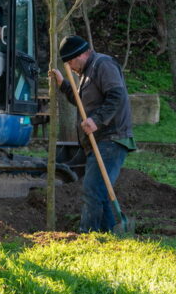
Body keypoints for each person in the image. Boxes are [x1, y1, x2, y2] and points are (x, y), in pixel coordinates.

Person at [50, 35, 136, 233]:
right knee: (100, 190)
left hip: (112, 137)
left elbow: (117, 95)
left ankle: (88, 235)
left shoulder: (103, 65)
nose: (70, 67)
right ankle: (107, 234)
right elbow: (82, 103)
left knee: (93, 188)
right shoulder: (87, 73)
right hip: (99, 139)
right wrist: (63, 84)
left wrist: (96, 120)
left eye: (72, 61)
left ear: (82, 54)